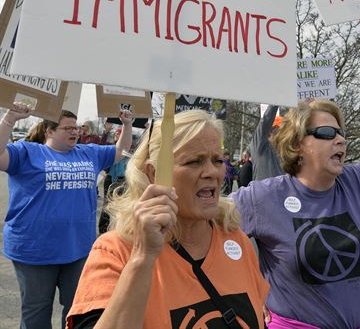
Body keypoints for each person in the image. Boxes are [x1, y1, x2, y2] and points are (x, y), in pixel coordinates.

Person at [232, 55, 360, 328]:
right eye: (326, 132)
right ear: (297, 144)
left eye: (340, 132)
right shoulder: (262, 198)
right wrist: (251, 291)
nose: (340, 139)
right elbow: (204, 227)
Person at [67, 110, 269, 329]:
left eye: (217, 160)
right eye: (194, 161)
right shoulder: (116, 251)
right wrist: (143, 258)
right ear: (154, 174)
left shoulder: (236, 240)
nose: (212, 172)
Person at [0, 103, 133, 329]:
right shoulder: (27, 152)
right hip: (34, 250)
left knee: (77, 309)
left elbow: (120, 151)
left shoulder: (89, 153)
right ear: (49, 131)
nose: (75, 131)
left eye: (77, 127)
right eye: (67, 128)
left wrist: (127, 125)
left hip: (78, 249)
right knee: (37, 312)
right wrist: (9, 119)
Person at [98, 126, 130, 234]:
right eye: (116, 133)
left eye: (119, 133)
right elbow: (100, 145)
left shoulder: (129, 148)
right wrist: (105, 132)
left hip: (122, 180)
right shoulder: (109, 147)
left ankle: (118, 230)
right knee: (106, 205)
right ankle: (103, 230)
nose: (117, 135)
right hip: (110, 178)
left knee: (121, 206)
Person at [249, 104, 284, 181]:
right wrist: (276, 101)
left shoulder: (285, 153)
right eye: (281, 129)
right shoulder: (259, 147)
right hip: (262, 192)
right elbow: (265, 121)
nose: (284, 133)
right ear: (271, 130)